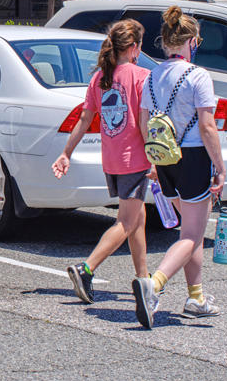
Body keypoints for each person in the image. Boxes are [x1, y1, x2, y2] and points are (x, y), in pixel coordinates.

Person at [132, 5, 226, 328]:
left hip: (164, 158)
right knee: (191, 235)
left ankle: (196, 297)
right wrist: (220, 166)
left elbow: (143, 122)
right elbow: (208, 127)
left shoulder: (151, 75)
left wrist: (154, 159)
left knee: (190, 231)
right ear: (192, 42)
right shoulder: (198, 76)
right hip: (194, 158)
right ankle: (153, 286)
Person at [52, 18, 153, 303]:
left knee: (138, 219)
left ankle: (143, 278)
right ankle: (86, 268)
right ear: (133, 48)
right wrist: (155, 158)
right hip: (135, 159)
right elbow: (145, 124)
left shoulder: (99, 78)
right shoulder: (141, 76)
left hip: (112, 160)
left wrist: (66, 153)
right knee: (126, 221)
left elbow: (85, 118)